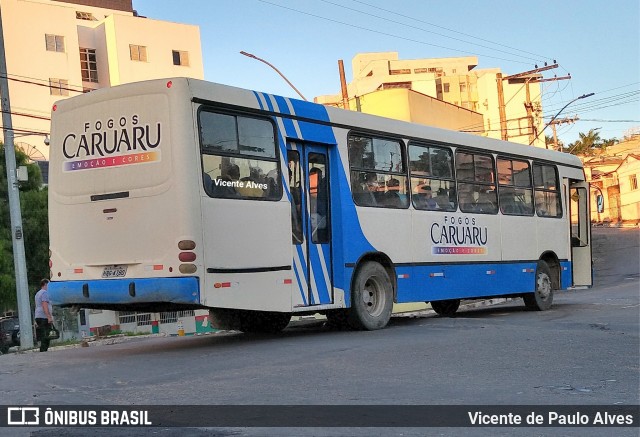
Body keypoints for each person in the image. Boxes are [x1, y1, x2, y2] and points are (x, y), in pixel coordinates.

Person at [34, 278, 53, 352]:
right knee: (46, 335)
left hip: (38, 316)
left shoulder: (38, 293)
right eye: (49, 285)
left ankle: (43, 350)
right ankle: (43, 351)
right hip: (43, 317)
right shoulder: (45, 293)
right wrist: (49, 317)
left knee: (43, 334)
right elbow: (44, 305)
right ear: (45, 285)